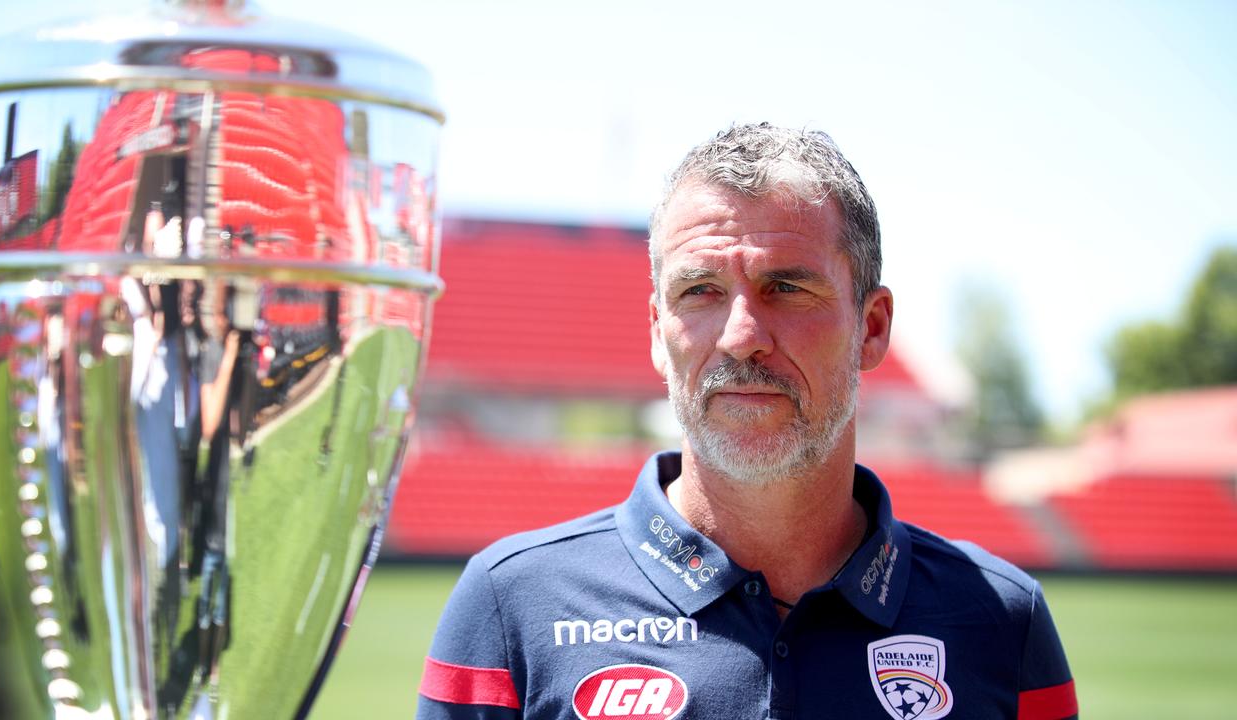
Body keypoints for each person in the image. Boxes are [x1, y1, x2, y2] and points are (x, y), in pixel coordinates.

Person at [417, 124, 1077, 720]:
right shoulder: (509, 607)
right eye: (699, 290)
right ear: (657, 331)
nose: (741, 336)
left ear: (871, 329)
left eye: (787, 288)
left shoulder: (1002, 621)